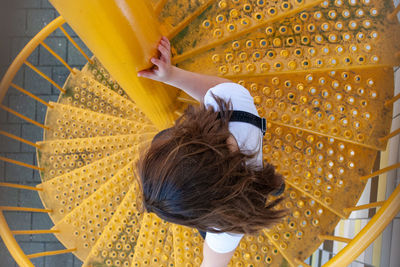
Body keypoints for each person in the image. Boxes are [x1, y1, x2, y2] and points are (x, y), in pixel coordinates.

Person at [136, 36, 287, 267]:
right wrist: (171, 75)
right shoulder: (235, 101)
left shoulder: (229, 225)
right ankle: (269, 183)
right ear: (189, 139)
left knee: (261, 185)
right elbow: (215, 91)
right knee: (159, 137)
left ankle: (271, 184)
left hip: (246, 187)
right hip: (241, 183)